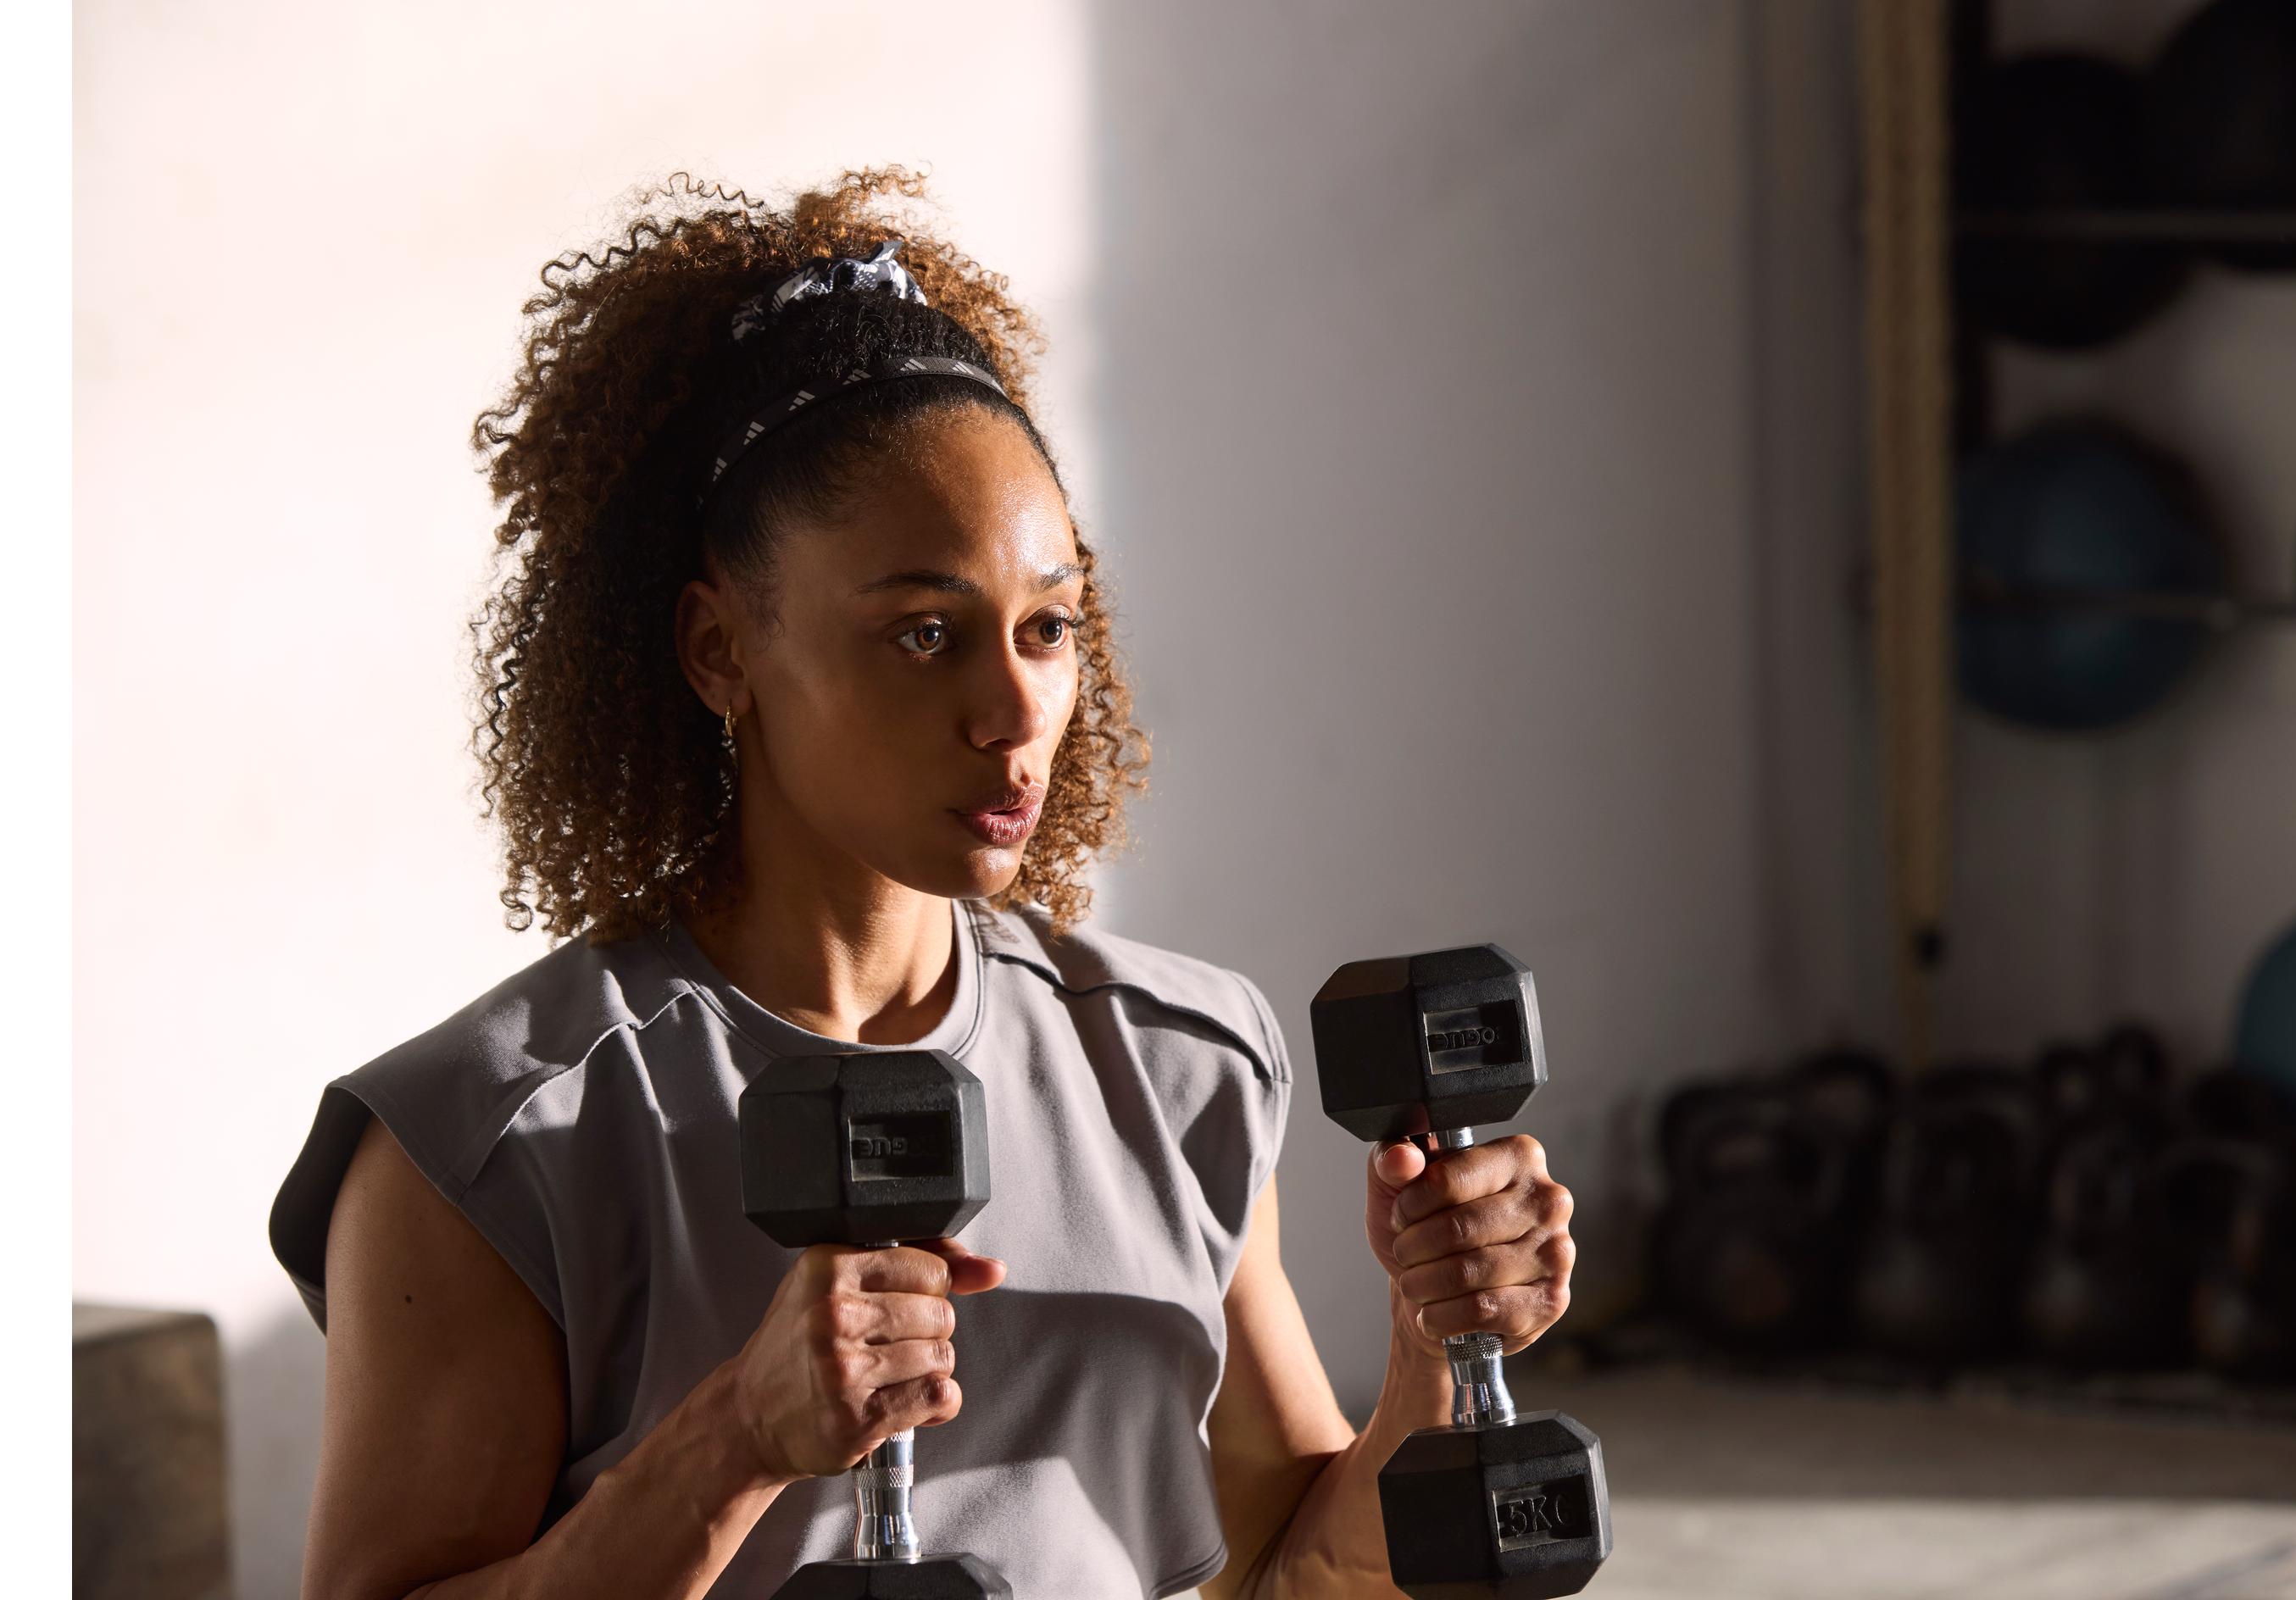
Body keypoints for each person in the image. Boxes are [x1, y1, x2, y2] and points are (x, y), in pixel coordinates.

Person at [266, 167, 1577, 1600]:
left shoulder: (1179, 1068)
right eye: (922, 634)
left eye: (1048, 627)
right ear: (720, 651)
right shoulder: (490, 1147)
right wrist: (736, 1440)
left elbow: (1291, 1573)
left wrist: (1431, 1364)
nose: (1013, 710)